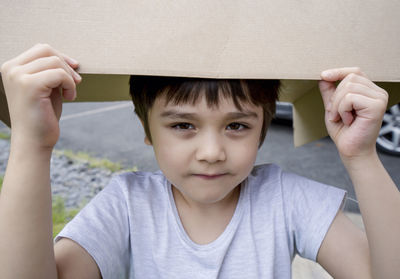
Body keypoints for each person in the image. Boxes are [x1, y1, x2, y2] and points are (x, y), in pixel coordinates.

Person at [0, 43, 399, 279]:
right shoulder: (127, 203)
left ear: (262, 130)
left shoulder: (287, 199)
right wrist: (32, 147)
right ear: (147, 128)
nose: (211, 152)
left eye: (237, 126)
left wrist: (361, 157)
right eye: (184, 125)